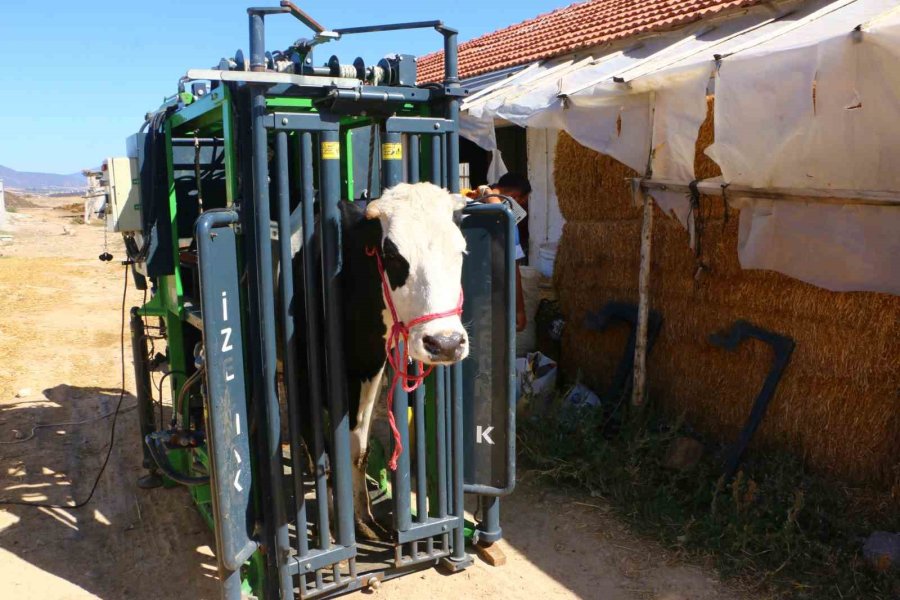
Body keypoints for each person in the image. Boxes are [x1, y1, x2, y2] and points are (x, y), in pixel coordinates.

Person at [464, 173, 532, 332]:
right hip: (489, 296)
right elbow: (512, 268)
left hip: (461, 292)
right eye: (523, 201)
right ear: (516, 196)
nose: (521, 206)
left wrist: (486, 191)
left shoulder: (469, 203)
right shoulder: (506, 219)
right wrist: (520, 309)